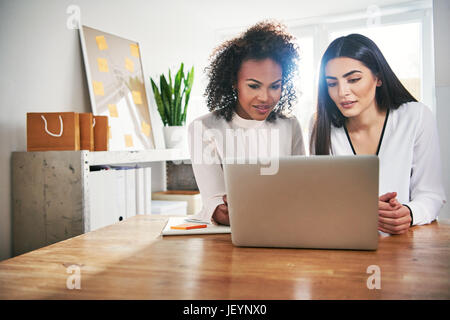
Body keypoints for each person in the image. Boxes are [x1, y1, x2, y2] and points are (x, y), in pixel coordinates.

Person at [309, 33, 446, 235]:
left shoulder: (415, 117)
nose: (342, 92)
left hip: (401, 246)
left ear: (378, 78)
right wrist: (360, 210)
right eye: (332, 83)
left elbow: (431, 194)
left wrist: (409, 213)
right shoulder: (321, 125)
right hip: (343, 243)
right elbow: (320, 201)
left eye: (353, 79)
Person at [189, 21, 305, 226]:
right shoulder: (204, 128)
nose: (265, 97)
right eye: (253, 86)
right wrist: (221, 209)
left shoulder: (290, 125)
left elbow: (301, 190)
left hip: (285, 231)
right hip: (229, 241)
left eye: (275, 86)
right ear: (234, 82)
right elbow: (218, 208)